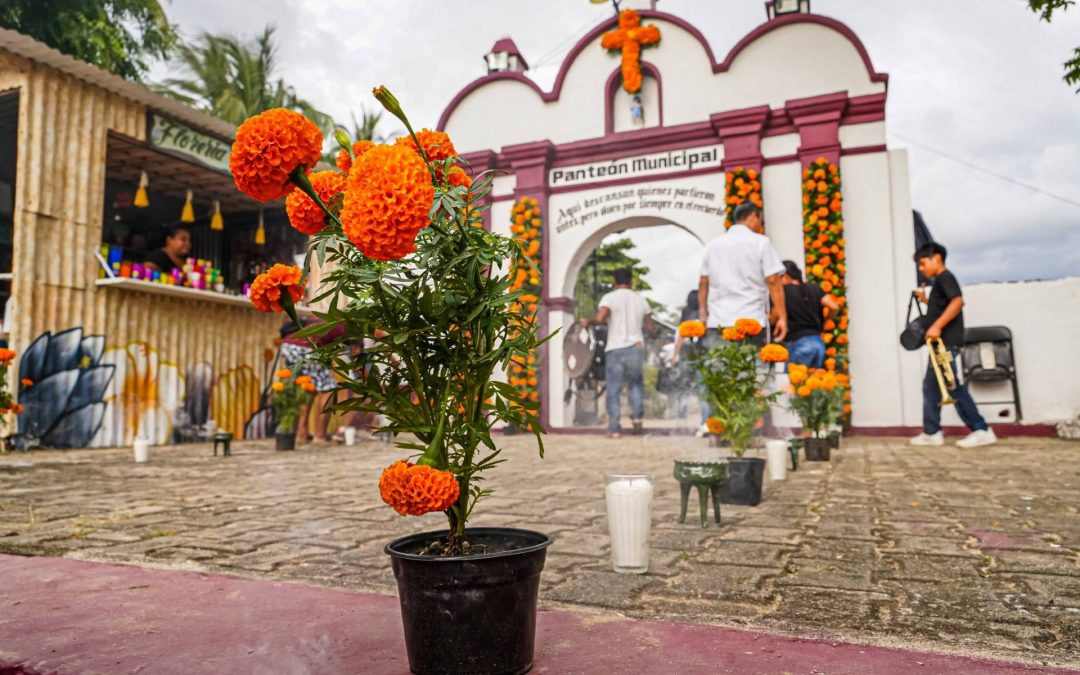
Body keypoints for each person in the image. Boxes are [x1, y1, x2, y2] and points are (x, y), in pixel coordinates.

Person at [910, 242, 996, 448]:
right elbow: (942, 306)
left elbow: (957, 302)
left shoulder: (945, 278)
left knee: (951, 387)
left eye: (922, 263)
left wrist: (937, 326)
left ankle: (980, 429)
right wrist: (925, 300)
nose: (921, 269)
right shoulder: (940, 283)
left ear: (936, 258)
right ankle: (932, 431)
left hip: (945, 344)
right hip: (941, 345)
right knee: (932, 387)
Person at [580, 267, 656, 438]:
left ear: (614, 282)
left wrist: (588, 322)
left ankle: (614, 429)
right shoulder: (641, 300)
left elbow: (600, 319)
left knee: (613, 388)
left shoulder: (609, 298)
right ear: (631, 282)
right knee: (636, 385)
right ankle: (637, 419)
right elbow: (651, 327)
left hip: (615, 348)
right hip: (635, 347)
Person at [698, 201, 787, 346]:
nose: (760, 225)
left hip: (718, 322)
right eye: (761, 221)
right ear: (753, 216)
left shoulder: (713, 245)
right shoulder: (761, 242)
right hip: (751, 322)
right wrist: (782, 318)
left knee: (720, 367)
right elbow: (773, 280)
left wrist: (703, 315)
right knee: (753, 367)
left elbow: (703, 283)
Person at [279, 317, 343, 444]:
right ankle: (319, 436)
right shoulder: (343, 327)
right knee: (328, 389)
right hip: (306, 348)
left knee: (307, 385)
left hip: (288, 346)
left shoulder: (319, 319)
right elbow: (331, 353)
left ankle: (301, 434)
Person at [780, 260, 840, 368]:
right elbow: (834, 306)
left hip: (799, 343)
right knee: (812, 382)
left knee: (795, 382)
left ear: (784, 275)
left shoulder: (783, 291)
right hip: (818, 343)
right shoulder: (814, 288)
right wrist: (825, 320)